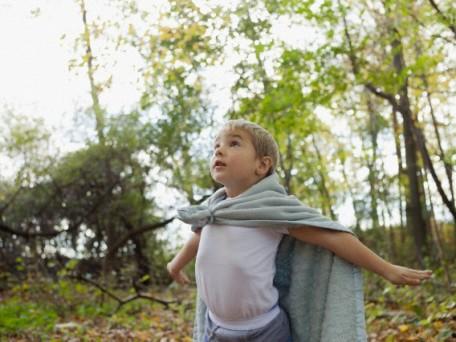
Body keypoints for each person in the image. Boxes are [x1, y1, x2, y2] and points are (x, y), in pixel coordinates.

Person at [167, 119, 432, 342]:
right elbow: (197, 238)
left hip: (264, 331)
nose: (219, 151)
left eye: (233, 143)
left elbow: (331, 236)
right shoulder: (213, 208)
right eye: (216, 146)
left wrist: (387, 269)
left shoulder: (272, 208)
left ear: (262, 165)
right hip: (215, 328)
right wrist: (176, 265)